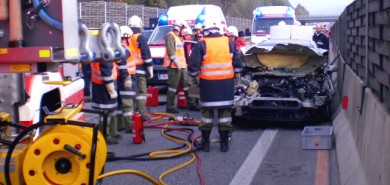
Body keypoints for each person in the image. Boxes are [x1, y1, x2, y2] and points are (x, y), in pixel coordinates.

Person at [187, 20, 243, 152]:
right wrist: (236, 79)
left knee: (207, 115)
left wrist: (193, 81)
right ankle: (224, 144)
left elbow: (193, 67)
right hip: (226, 85)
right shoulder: (229, 42)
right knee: (225, 116)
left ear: (205, 31)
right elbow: (238, 63)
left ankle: (205, 143)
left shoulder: (202, 44)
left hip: (208, 86)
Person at [91, 41, 129, 145]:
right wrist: (111, 90)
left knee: (112, 111)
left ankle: (112, 132)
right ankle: (105, 136)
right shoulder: (106, 53)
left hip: (106, 85)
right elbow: (106, 74)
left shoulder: (105, 50)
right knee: (105, 113)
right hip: (103, 87)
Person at [163, 21, 198, 113]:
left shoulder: (177, 38)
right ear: (178, 28)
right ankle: (170, 106)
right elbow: (171, 52)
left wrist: (182, 64)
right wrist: (177, 63)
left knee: (187, 85)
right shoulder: (170, 36)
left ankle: (192, 104)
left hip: (181, 66)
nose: (184, 31)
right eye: (183, 28)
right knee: (172, 86)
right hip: (174, 66)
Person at [128, 15, 154, 121]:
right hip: (140, 70)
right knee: (141, 93)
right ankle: (142, 114)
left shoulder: (127, 37)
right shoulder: (141, 38)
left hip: (130, 70)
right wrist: (150, 70)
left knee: (132, 93)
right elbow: (146, 56)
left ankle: (133, 113)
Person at [117, 25, 136, 133]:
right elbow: (123, 65)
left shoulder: (118, 48)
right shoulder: (124, 49)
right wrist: (127, 78)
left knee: (120, 104)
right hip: (126, 78)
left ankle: (120, 125)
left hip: (120, 79)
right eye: (129, 38)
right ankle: (129, 126)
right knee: (128, 104)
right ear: (126, 37)